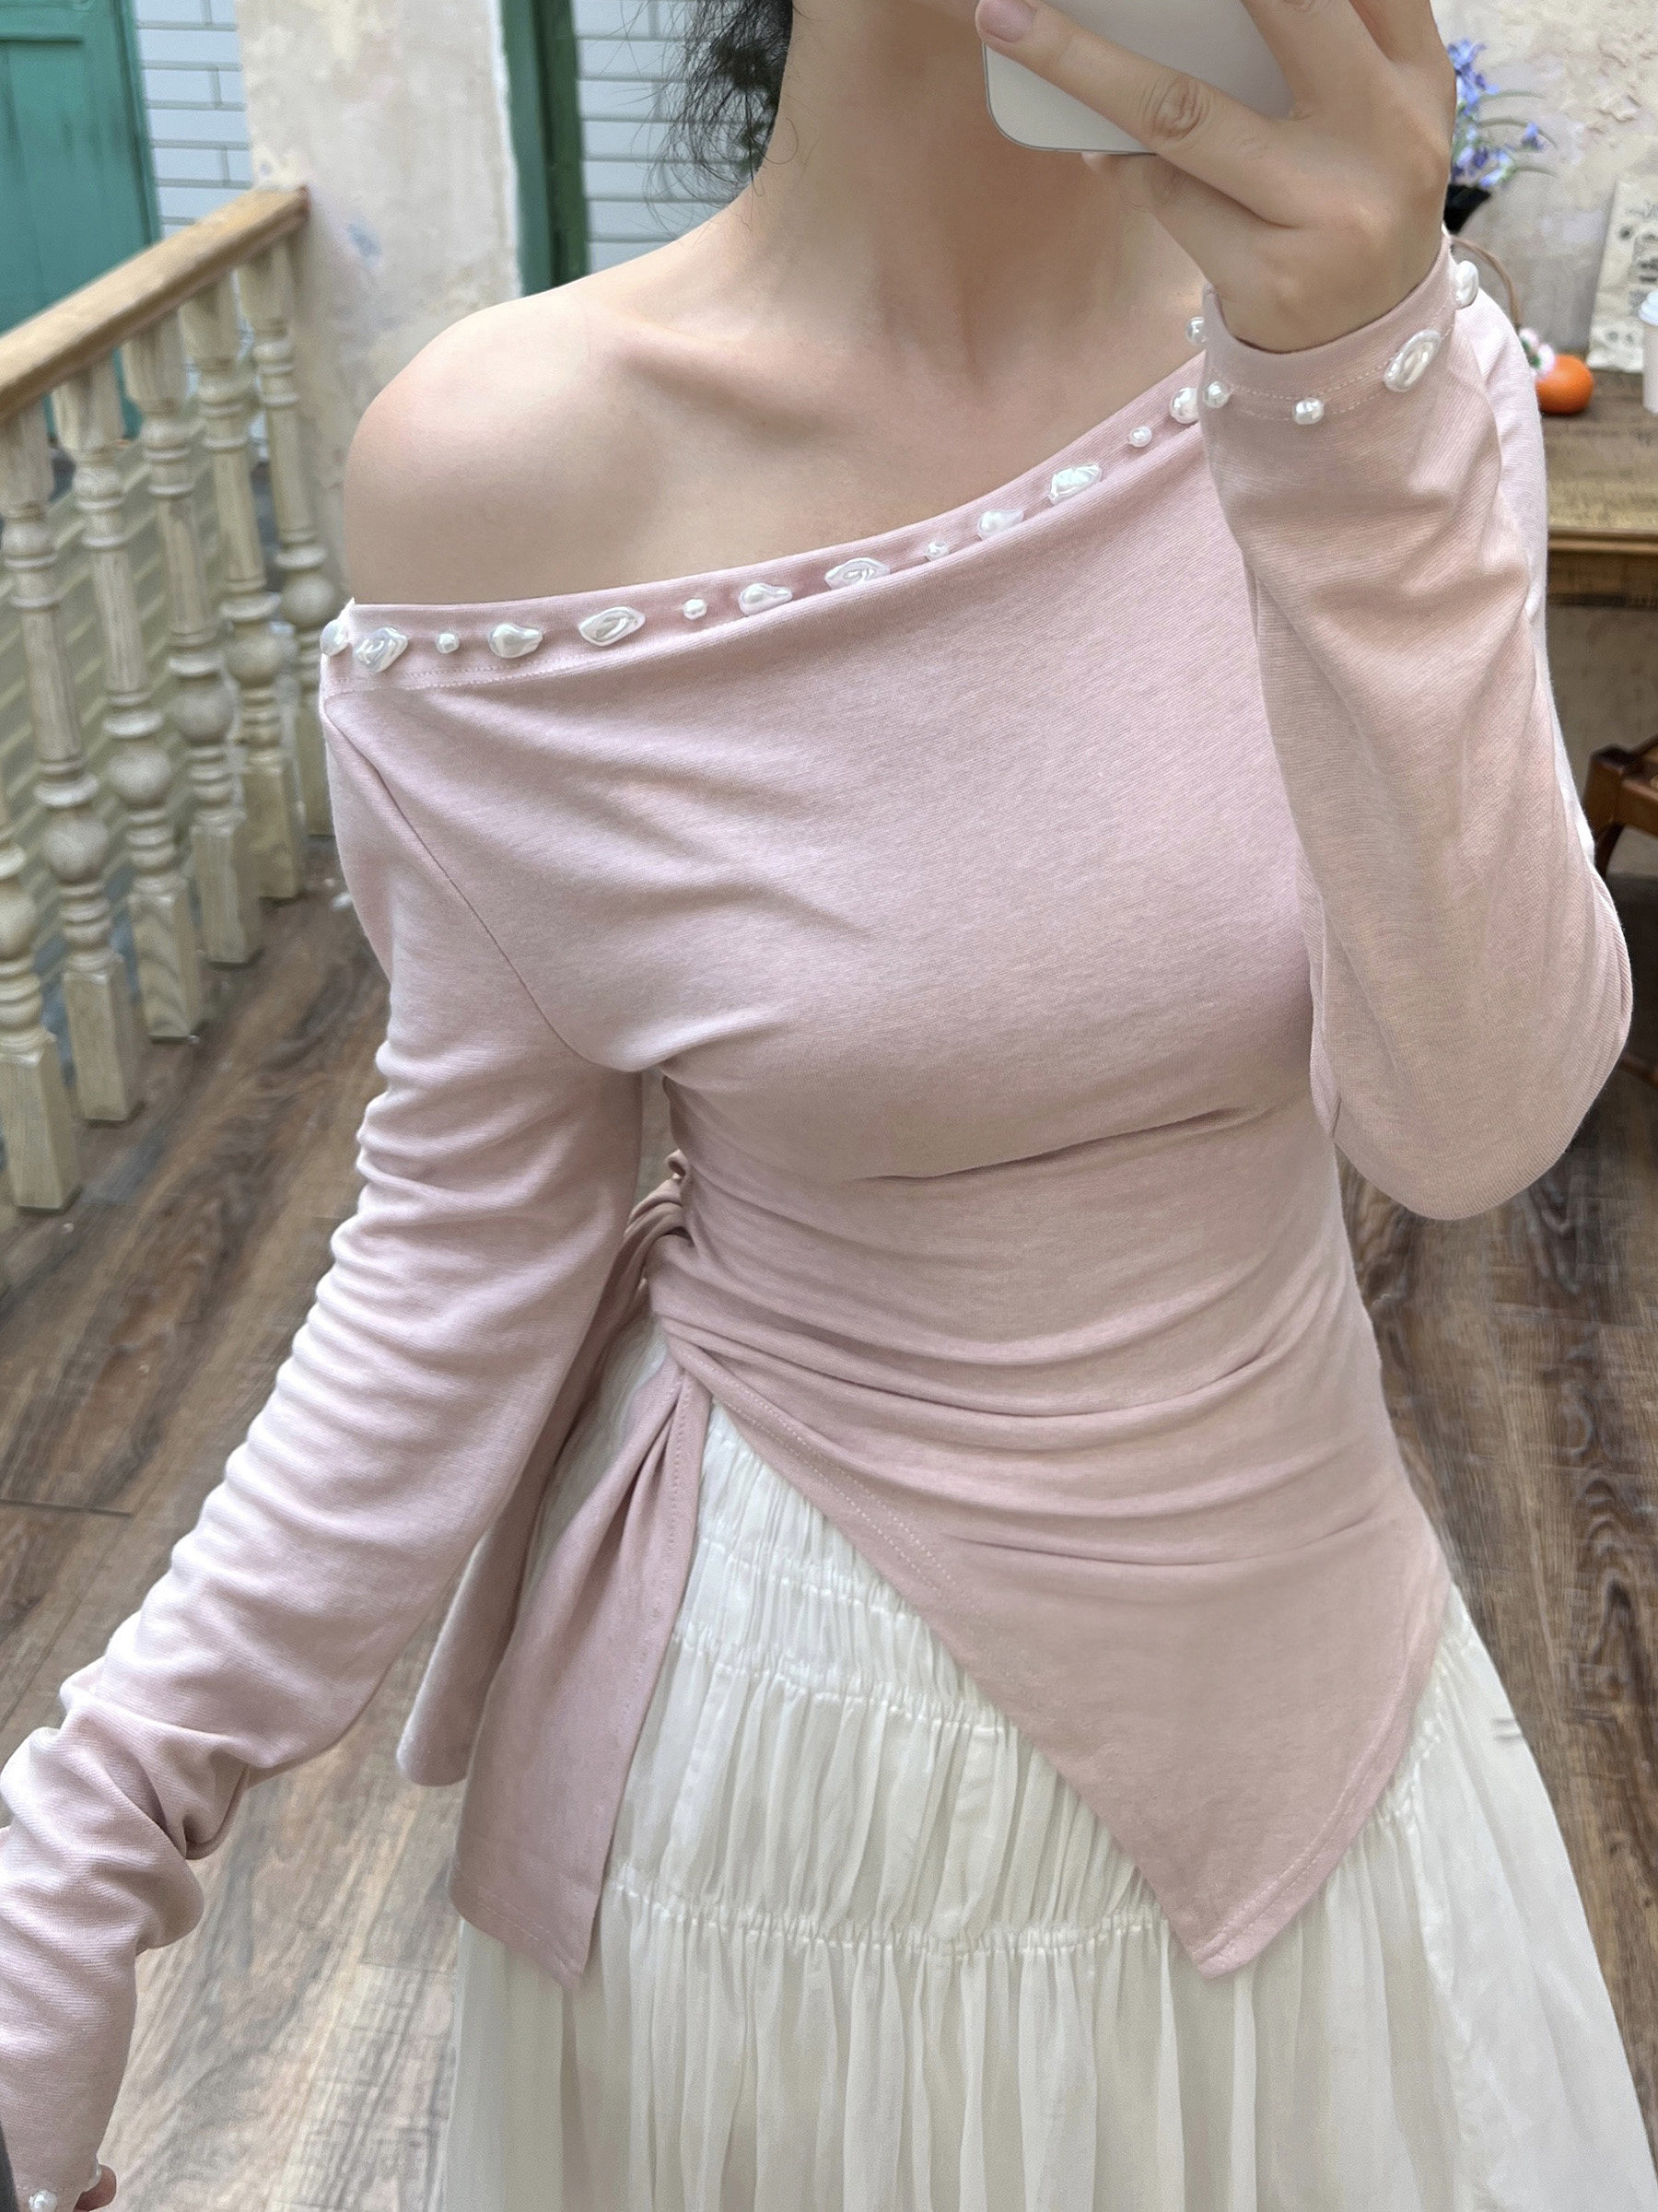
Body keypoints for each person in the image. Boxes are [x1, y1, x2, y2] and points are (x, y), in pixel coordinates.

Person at [4, 0, 1657, 2204]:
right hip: (777, 1785)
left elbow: (1472, 1127)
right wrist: (87, 1830)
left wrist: (1353, 412)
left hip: (1317, 1707)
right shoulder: (516, 478)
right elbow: (461, 1254)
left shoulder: (1382, 359)